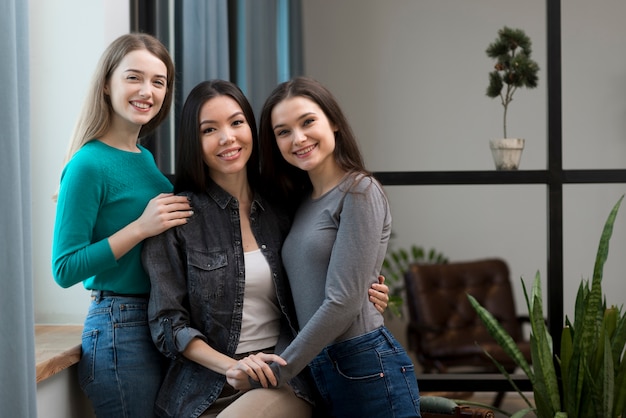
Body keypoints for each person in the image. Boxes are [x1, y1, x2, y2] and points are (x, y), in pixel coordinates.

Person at [142, 80, 390, 418]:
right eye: (209, 129)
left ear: (253, 131)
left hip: (282, 373)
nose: (227, 138)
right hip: (201, 384)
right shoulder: (177, 217)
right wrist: (232, 367)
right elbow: (167, 324)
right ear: (193, 143)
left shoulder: (286, 207)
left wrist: (368, 292)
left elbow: (331, 283)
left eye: (236, 122)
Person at [246, 76, 422, 417]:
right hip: (322, 366)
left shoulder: (360, 191)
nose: (298, 138)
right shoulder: (300, 202)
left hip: (365, 361)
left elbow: (343, 301)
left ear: (334, 122)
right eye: (283, 131)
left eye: (308, 122)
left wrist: (280, 370)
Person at [51, 33, 193, 418]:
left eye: (158, 81)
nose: (147, 90)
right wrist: (141, 227)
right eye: (134, 77)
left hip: (161, 321)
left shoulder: (145, 159)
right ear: (106, 84)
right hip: (120, 328)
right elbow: (64, 269)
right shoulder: (87, 163)